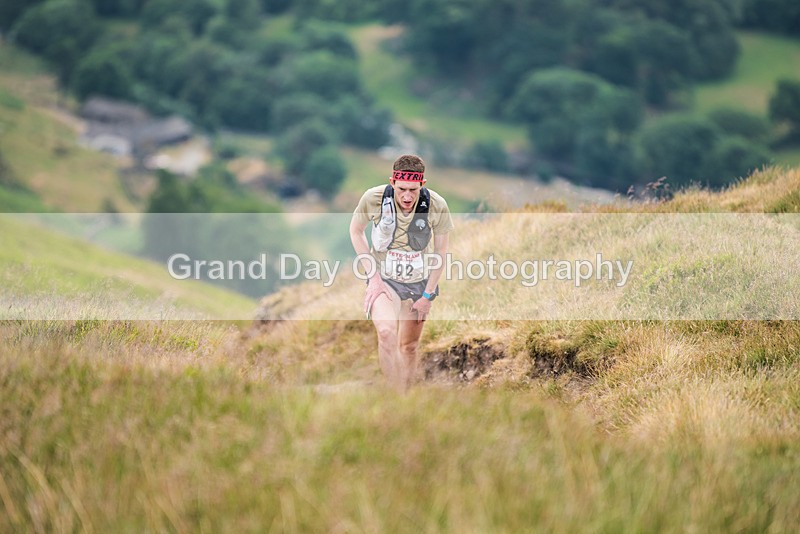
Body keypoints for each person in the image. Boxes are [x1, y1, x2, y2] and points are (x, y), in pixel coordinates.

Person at [350, 154, 454, 390]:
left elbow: (441, 252)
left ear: (422, 185)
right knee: (386, 331)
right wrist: (373, 278)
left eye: (413, 191)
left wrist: (427, 296)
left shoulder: (437, 205)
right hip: (385, 280)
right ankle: (393, 395)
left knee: (408, 347)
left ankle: (405, 397)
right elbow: (356, 231)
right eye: (402, 189)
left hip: (420, 282)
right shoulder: (374, 198)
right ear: (392, 183)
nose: (407, 197)